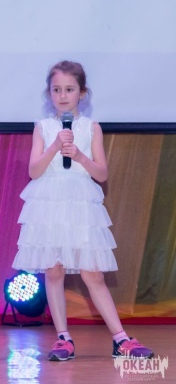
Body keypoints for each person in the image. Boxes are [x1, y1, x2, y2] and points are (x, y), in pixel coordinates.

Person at [12, 60, 154, 361]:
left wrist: (78, 155)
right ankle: (63, 338)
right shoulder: (43, 127)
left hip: (80, 204)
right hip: (49, 203)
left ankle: (120, 339)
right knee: (54, 270)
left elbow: (101, 173)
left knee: (93, 273)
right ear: (49, 93)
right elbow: (34, 170)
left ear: (82, 93)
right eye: (56, 90)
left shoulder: (91, 128)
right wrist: (54, 146)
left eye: (69, 89)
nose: (62, 96)